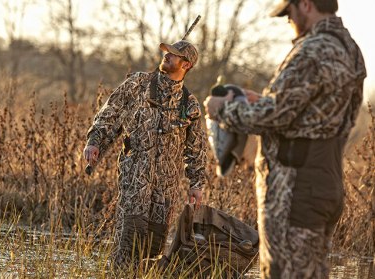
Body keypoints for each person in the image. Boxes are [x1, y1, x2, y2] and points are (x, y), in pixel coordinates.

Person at [205, 0, 366, 278]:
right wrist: (263, 101)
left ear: (305, 4)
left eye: (288, 13)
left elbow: (275, 116)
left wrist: (224, 111)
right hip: (324, 182)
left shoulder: (313, 49)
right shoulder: (350, 49)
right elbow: (312, 115)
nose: (287, 20)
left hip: (296, 189)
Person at [83, 40, 208, 270]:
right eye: (167, 52)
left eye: (174, 55)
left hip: (166, 189)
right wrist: (94, 142)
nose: (167, 56)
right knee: (128, 240)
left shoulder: (189, 105)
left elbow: (196, 149)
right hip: (135, 178)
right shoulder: (138, 84)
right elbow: (109, 115)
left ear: (187, 64)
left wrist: (196, 184)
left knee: (153, 248)